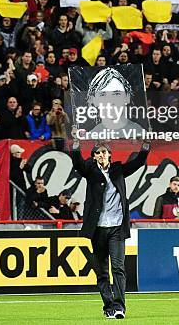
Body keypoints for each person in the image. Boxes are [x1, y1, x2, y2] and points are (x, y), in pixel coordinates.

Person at [71, 135, 150, 319]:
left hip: (117, 228)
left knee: (118, 268)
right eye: (97, 153)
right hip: (98, 228)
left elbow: (137, 162)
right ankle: (108, 307)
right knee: (102, 272)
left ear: (110, 155)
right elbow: (78, 163)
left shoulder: (118, 170)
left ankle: (120, 306)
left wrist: (145, 146)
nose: (100, 155)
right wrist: (76, 144)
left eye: (104, 152)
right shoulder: (90, 171)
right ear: (94, 157)